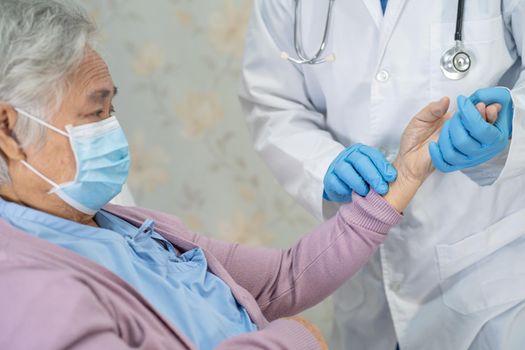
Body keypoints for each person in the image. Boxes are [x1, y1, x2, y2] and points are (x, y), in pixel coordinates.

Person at [0, 1, 501, 349]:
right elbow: (271, 98)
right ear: (7, 128)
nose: (113, 130)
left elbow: (280, 280)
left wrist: (409, 172)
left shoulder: (120, 224)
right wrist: (294, 340)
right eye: (95, 114)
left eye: (112, 109)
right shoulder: (24, 285)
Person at [240, 0, 525, 349]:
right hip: (365, 289)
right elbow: (271, 100)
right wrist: (323, 164)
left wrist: (511, 126)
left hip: (494, 278)